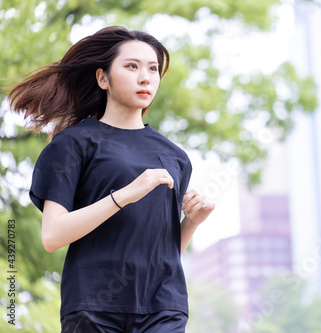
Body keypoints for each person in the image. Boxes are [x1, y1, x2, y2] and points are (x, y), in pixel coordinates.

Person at [7, 26, 215, 332]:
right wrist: (125, 195)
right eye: (132, 66)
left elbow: (163, 251)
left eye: (153, 69)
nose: (145, 77)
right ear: (103, 78)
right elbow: (52, 236)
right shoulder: (73, 144)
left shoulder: (175, 157)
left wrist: (192, 221)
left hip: (163, 308)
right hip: (94, 306)